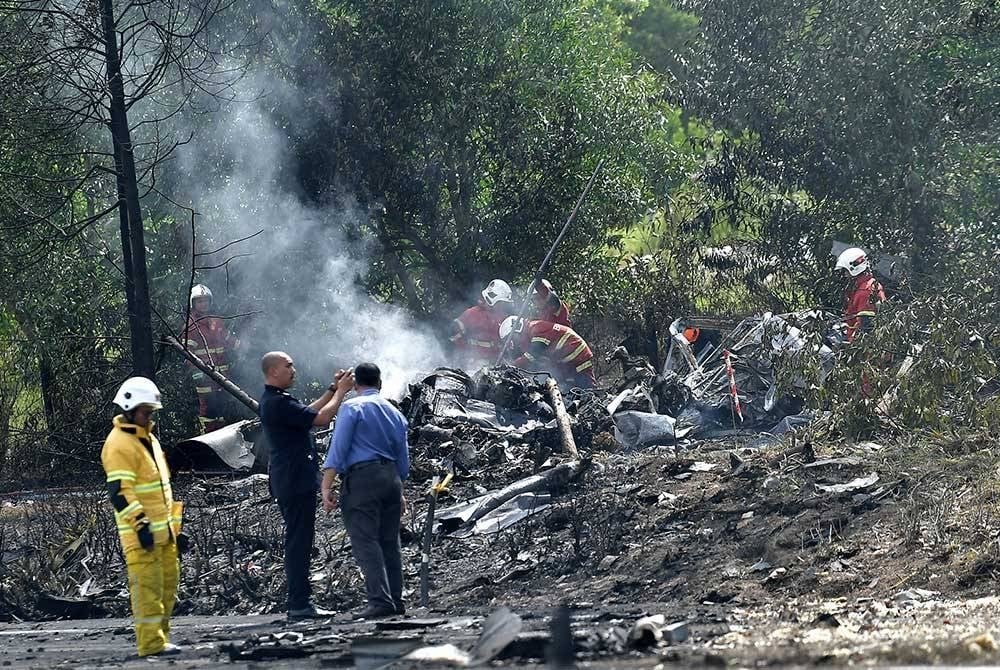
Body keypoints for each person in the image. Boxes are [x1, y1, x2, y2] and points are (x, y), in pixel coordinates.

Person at [259, 351, 353, 619]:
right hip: (294, 480)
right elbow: (321, 419)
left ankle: (300, 602)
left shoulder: (278, 401)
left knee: (299, 540)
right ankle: (299, 604)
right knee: (299, 542)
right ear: (274, 371)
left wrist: (332, 389)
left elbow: (308, 412)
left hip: (293, 479)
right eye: (288, 365)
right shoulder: (276, 403)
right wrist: (342, 393)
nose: (294, 369)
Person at [101, 376, 187, 657]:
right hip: (142, 536)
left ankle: (160, 639)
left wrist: (175, 529)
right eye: (146, 412)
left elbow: (160, 491)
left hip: (164, 533)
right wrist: (141, 526)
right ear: (129, 409)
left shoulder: (148, 439)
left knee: (166, 587)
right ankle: (150, 644)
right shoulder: (118, 445)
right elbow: (120, 493)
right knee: (147, 590)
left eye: (151, 412)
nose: (150, 417)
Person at [321, 362, 410, 620]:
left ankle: (380, 601)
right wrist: (400, 487)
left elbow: (339, 447)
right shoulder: (395, 413)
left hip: (362, 479)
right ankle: (395, 599)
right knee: (390, 542)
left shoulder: (351, 407)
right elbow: (403, 457)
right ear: (379, 383)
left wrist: (327, 484)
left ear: (356, 385)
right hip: (391, 479)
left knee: (365, 540)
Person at [182, 284, 238, 433]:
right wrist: (197, 372)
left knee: (220, 407)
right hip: (204, 376)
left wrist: (241, 344)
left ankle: (222, 436)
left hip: (222, 375)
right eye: (199, 301)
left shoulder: (217, 321)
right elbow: (187, 353)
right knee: (208, 408)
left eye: (205, 300)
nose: (203, 304)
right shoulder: (191, 325)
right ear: (193, 303)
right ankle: (208, 436)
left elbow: (226, 339)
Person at [499, 316, 596, 389]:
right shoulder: (532, 331)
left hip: (577, 359)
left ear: (517, 330)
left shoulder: (536, 328)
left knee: (587, 392)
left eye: (511, 339)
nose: (514, 344)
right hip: (567, 363)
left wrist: (511, 368)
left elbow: (532, 356)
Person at [450, 279, 514, 365]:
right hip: (473, 363)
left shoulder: (503, 317)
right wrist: (466, 355)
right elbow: (455, 336)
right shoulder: (471, 313)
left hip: (496, 364)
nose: (502, 305)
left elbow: (509, 343)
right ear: (493, 298)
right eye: (501, 302)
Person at [835, 247, 886, 342]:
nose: (845, 275)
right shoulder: (866, 285)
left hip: (865, 351)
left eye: (846, 271)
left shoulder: (865, 291)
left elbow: (866, 327)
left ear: (854, 268)